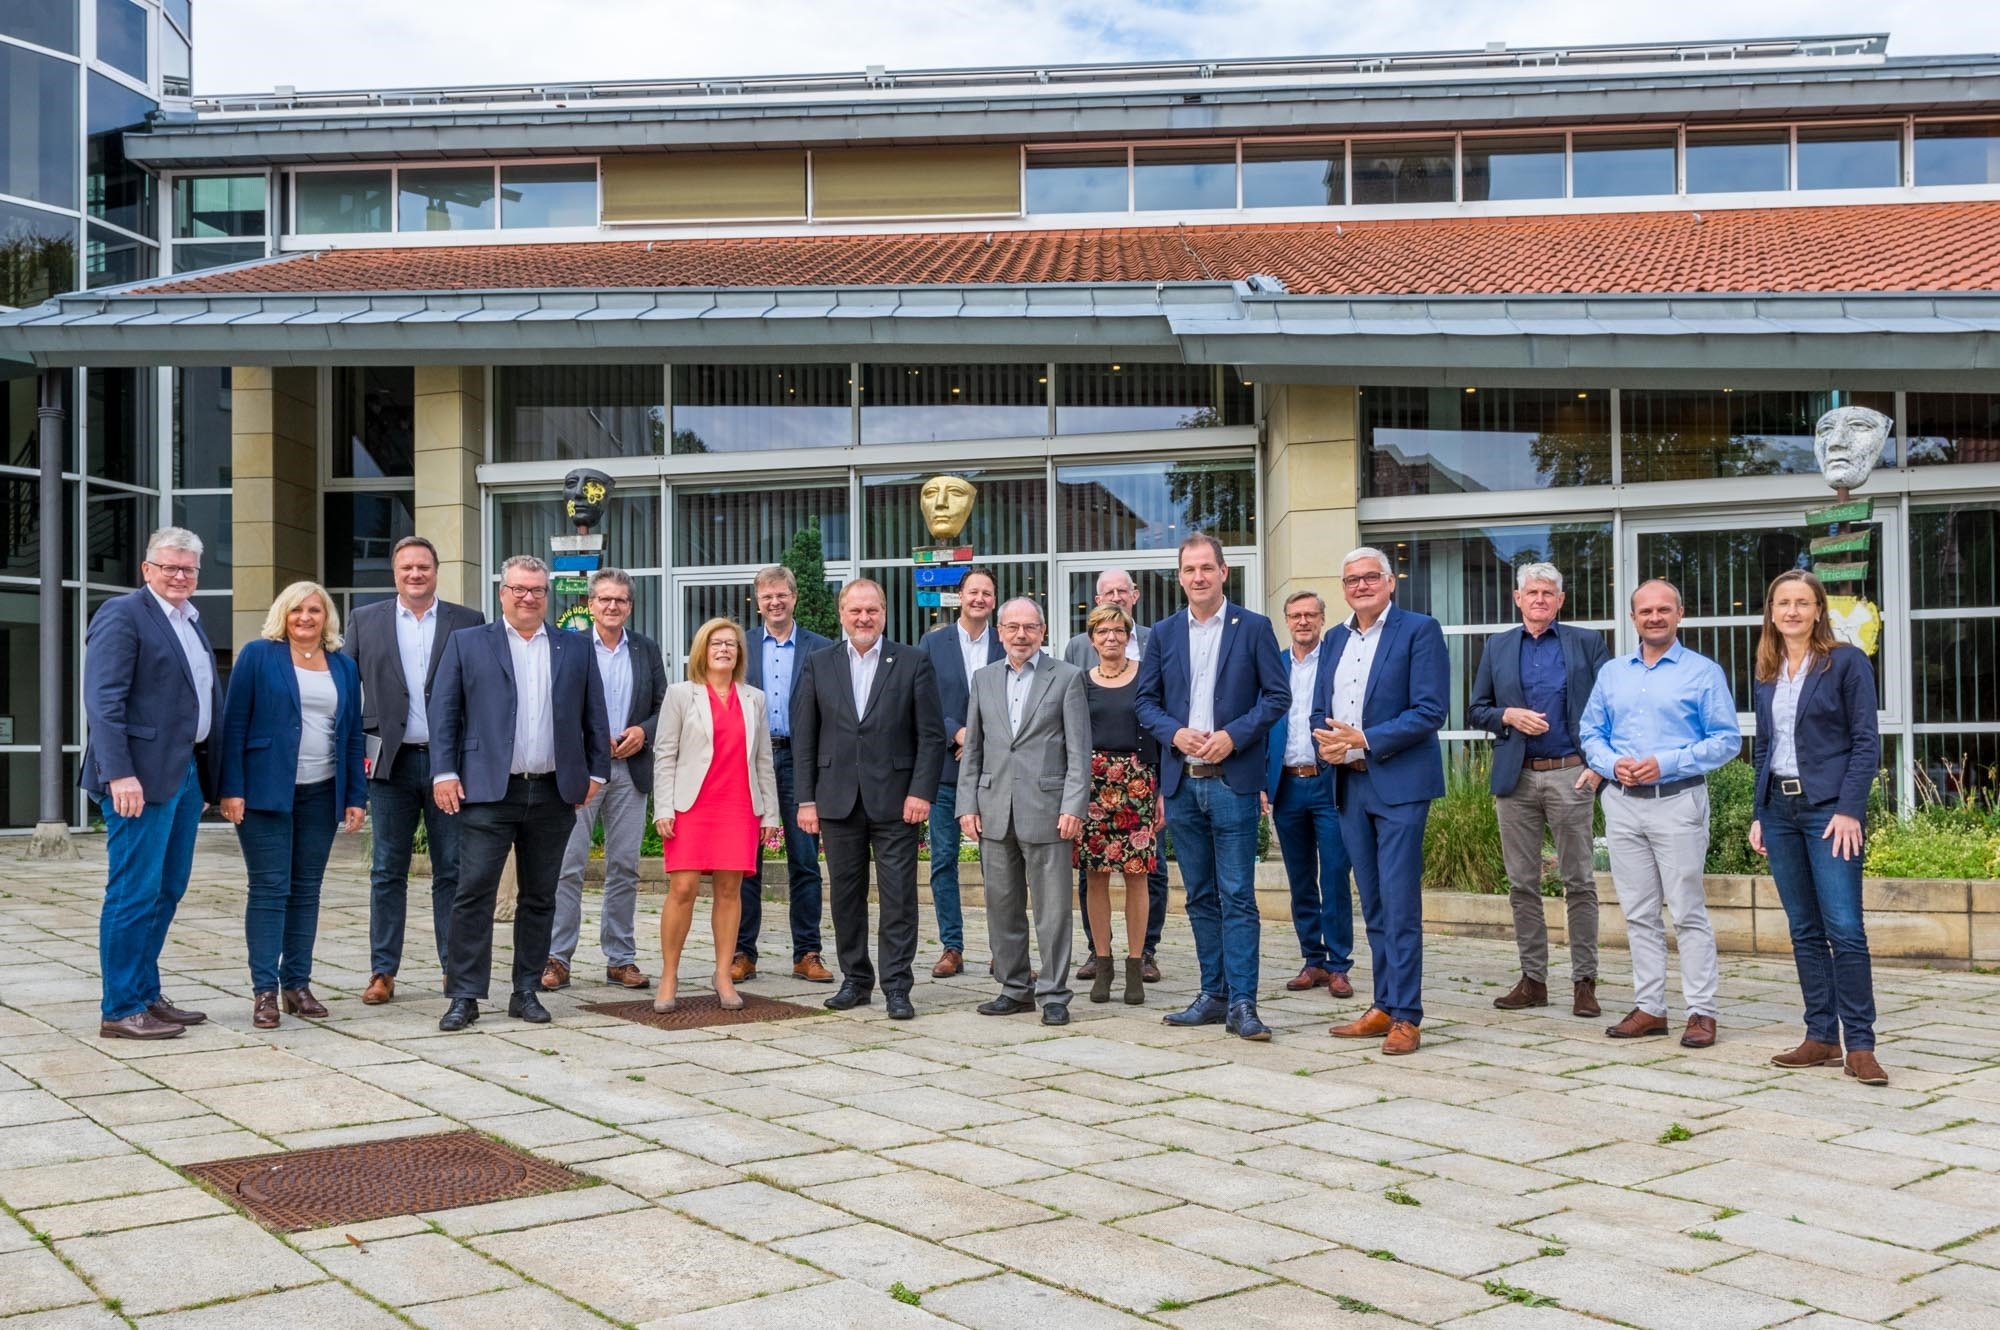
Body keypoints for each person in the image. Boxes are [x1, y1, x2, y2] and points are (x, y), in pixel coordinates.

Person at [429, 555, 609, 1032]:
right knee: (473, 893)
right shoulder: (468, 643)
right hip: (489, 790)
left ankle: (526, 989)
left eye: (537, 590)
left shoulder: (575, 648)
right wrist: (443, 772)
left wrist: (597, 773)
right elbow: (444, 713)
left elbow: (595, 715)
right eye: (519, 589)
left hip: (554, 791)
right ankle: (464, 995)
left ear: (547, 596)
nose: (528, 597)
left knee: (540, 895)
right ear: (502, 592)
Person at [1136, 533, 1288, 1041]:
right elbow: (1146, 702)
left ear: (1224, 572)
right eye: (1189, 569)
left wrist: (1232, 736)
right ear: (1179, 577)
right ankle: (1213, 993)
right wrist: (1174, 733)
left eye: (1207, 568)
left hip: (1233, 782)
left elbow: (1276, 697)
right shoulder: (1163, 633)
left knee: (1238, 895)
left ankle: (1244, 1002)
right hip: (1182, 784)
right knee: (1199, 895)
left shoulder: (1255, 628)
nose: (1198, 577)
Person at [1580, 578, 1740, 1049]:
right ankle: (1650, 1007)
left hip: (1678, 801)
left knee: (1687, 910)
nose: (1654, 617)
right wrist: (1611, 764)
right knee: (1638, 912)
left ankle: (1701, 1011)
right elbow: (1591, 732)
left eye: (1663, 610)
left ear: (1679, 614)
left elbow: (1726, 740)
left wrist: (1664, 763)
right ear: (1633, 618)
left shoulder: (1703, 672)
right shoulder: (1613, 673)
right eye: (1645, 610)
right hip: (1622, 804)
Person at [82, 527, 225, 1040]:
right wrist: (119, 772)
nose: (180, 575)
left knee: (168, 888)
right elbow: (103, 701)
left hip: (183, 773)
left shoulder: (189, 620)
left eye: (189, 568)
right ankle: (120, 1008)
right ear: (147, 570)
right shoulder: (123, 615)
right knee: (133, 890)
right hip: (136, 777)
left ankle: (144, 991)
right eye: (170, 567)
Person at [1749, 570, 1886, 1085]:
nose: (1791, 611)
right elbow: (1764, 746)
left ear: (1818, 609)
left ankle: (1861, 1045)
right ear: (1772, 611)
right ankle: (1821, 1036)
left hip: (1830, 813)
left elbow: (1865, 742)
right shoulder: (1766, 667)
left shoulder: (1846, 662)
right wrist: (1760, 813)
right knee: (1804, 930)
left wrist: (1850, 808)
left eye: (1801, 602)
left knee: (1845, 929)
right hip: (1780, 813)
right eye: (1782, 602)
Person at [1315, 548, 1448, 1056]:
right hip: (1349, 784)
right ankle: (1383, 1004)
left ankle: (1408, 1016)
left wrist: (1364, 738)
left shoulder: (1419, 630)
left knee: (1399, 901)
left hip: (1398, 784)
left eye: (1371, 577)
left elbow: (1430, 709)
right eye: (1352, 579)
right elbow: (1319, 709)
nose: (1362, 585)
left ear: (1390, 582)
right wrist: (1327, 742)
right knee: (1371, 901)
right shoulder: (1333, 639)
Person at [217, 581, 368, 1029]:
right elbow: (234, 723)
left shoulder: (343, 666)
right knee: (269, 890)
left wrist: (355, 796)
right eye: (297, 609)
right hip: (265, 791)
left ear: (327, 619)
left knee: (306, 890)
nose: (305, 617)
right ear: (283, 614)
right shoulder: (257, 656)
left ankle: (296, 985)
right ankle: (264, 991)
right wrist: (231, 788)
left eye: (315, 611)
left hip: (322, 792)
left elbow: (354, 733)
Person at [794, 579, 945, 1020]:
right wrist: (806, 800)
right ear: (842, 614)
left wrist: (921, 791)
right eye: (855, 611)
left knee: (899, 898)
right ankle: (856, 981)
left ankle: (897, 986)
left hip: (898, 802)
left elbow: (931, 737)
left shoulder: (913, 661)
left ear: (884, 613)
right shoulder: (819, 664)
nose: (864, 618)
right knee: (844, 897)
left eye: (872, 611)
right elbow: (805, 737)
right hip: (836, 800)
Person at [343, 535, 484, 1007]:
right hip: (390, 762)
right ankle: (383, 970)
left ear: (436, 570)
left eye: (423, 566)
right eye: (406, 568)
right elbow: (347, 691)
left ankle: (453, 968)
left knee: (452, 869)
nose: (415, 574)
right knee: (387, 870)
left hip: (449, 765)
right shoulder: (365, 621)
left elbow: (479, 696)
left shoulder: (468, 621)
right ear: (395, 573)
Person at [1468, 562, 1612, 1018]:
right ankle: (1533, 979)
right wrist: (1507, 716)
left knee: (1579, 881)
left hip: (1572, 773)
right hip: (1517, 778)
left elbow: (1613, 704)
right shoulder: (1498, 645)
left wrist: (1598, 768)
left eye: (1548, 593)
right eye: (1532, 592)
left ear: (1560, 600)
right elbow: (1476, 709)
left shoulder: (1586, 643)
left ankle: (1584, 982)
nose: (1539, 600)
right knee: (1521, 884)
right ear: (1518, 598)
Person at [959, 599, 1090, 1025]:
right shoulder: (983, 679)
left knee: (1053, 909)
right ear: (999, 632)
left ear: (1043, 631)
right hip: (994, 808)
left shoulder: (1067, 678)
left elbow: (1078, 750)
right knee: (1002, 905)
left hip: (1049, 810)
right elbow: (973, 749)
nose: (1020, 635)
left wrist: (1074, 805)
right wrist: (967, 805)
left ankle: (1053, 993)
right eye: (1012, 627)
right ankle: (1015, 987)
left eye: (1029, 628)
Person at [545, 569, 667, 994]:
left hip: (630, 772)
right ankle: (558, 958)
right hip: (582, 774)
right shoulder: (572, 647)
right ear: (591, 604)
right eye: (605, 599)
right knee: (569, 866)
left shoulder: (645, 649)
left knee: (625, 867)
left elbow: (661, 704)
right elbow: (558, 706)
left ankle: (621, 958)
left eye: (621, 600)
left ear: (629, 606)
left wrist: (644, 731)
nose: (612, 606)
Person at [652, 618, 782, 1011]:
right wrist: (663, 807)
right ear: (701, 651)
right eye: (715, 643)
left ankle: (723, 974)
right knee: (683, 888)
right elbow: (664, 754)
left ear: (740, 653)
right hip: (691, 805)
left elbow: (763, 759)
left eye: (731, 644)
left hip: (739, 805)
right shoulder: (680, 694)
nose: (724, 649)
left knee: (730, 891)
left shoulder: (754, 698)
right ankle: (669, 975)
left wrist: (770, 816)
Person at [735, 565, 834, 984]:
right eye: (766, 597)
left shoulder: (822, 648)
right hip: (749, 762)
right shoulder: (740, 646)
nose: (775, 602)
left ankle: (807, 952)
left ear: (794, 598)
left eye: (782, 595)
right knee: (745, 863)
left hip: (801, 761)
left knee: (805, 860)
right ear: (757, 603)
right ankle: (742, 952)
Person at [1066, 569, 1165, 983]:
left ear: (1128, 635)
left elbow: (1159, 730)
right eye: (1103, 632)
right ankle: (1102, 960)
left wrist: (1161, 791)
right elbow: (1068, 738)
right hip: (1093, 786)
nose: (1111, 638)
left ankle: (1138, 962)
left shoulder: (1147, 674)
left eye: (1118, 631)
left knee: (1140, 876)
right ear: (1092, 640)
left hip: (1139, 785)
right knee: (1096, 877)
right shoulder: (1078, 681)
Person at [1263, 591, 1356, 1000]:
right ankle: (1312, 960)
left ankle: (1339, 965)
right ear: (1286, 620)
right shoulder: (1274, 665)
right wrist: (1262, 782)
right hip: (1286, 784)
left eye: (1310, 615)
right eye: (1295, 615)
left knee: (1334, 873)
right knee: (1300, 878)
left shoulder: (1337, 662)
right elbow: (1263, 726)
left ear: (1322, 619)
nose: (1302, 622)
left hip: (1329, 781)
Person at [920, 565, 1001, 978]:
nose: (979, 599)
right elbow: (925, 701)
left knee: (998, 863)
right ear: (960, 596)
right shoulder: (933, 643)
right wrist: (958, 734)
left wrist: (981, 740)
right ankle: (952, 946)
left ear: (993, 600)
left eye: (987, 593)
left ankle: (1001, 948)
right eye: (973, 591)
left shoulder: (1007, 643)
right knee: (943, 861)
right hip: (946, 770)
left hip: (995, 773)